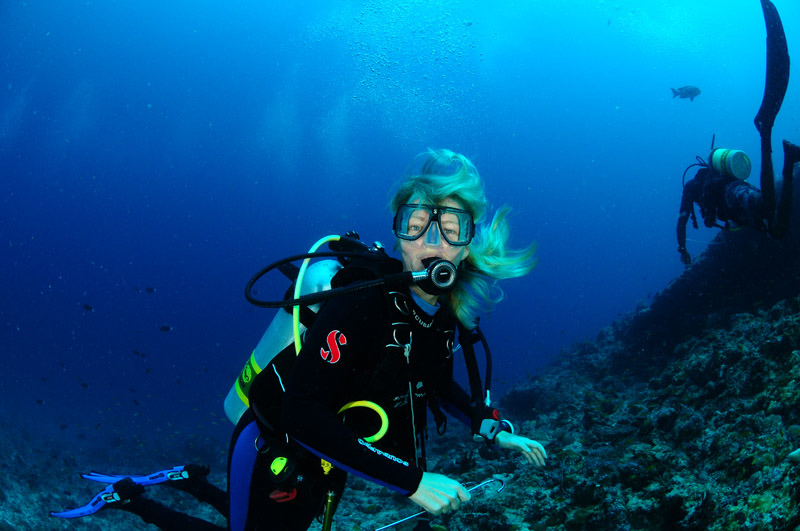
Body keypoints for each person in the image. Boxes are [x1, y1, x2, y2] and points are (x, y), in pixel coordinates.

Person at [51, 149, 547, 531]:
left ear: (467, 242)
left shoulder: (442, 318)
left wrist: (493, 429)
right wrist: (411, 482)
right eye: (416, 225)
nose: (433, 242)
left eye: (452, 226)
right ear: (397, 236)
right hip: (272, 442)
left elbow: (437, 382)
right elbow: (301, 412)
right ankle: (130, 498)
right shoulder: (358, 303)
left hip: (335, 455)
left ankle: (190, 479)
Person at [677, 0, 799, 266]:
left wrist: (682, 249)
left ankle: (765, 132)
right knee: (776, 230)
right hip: (735, 198)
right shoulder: (704, 181)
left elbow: (683, 220)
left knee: (767, 208)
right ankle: (789, 161)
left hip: (733, 194)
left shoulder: (691, 187)